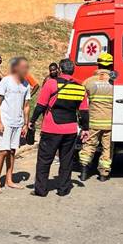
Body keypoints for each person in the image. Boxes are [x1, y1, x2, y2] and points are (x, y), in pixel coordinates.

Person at [29, 59, 89, 197]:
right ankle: (63, 189)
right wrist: (85, 129)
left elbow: (41, 106)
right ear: (73, 71)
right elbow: (84, 111)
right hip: (70, 130)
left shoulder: (51, 83)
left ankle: (41, 190)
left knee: (44, 160)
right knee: (66, 160)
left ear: (60, 70)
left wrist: (32, 121)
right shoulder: (80, 87)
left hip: (51, 128)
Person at [0, 57, 32, 193]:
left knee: (13, 151)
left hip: (18, 122)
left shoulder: (26, 85)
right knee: (3, 151)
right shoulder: (6, 81)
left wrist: (26, 124)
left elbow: (26, 106)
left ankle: (9, 179)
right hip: (5, 121)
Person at [79, 53, 116, 182]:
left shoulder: (88, 82)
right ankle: (103, 175)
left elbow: (81, 101)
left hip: (93, 121)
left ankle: (84, 172)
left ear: (98, 64)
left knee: (89, 145)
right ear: (111, 65)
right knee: (107, 148)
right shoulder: (115, 82)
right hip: (109, 122)